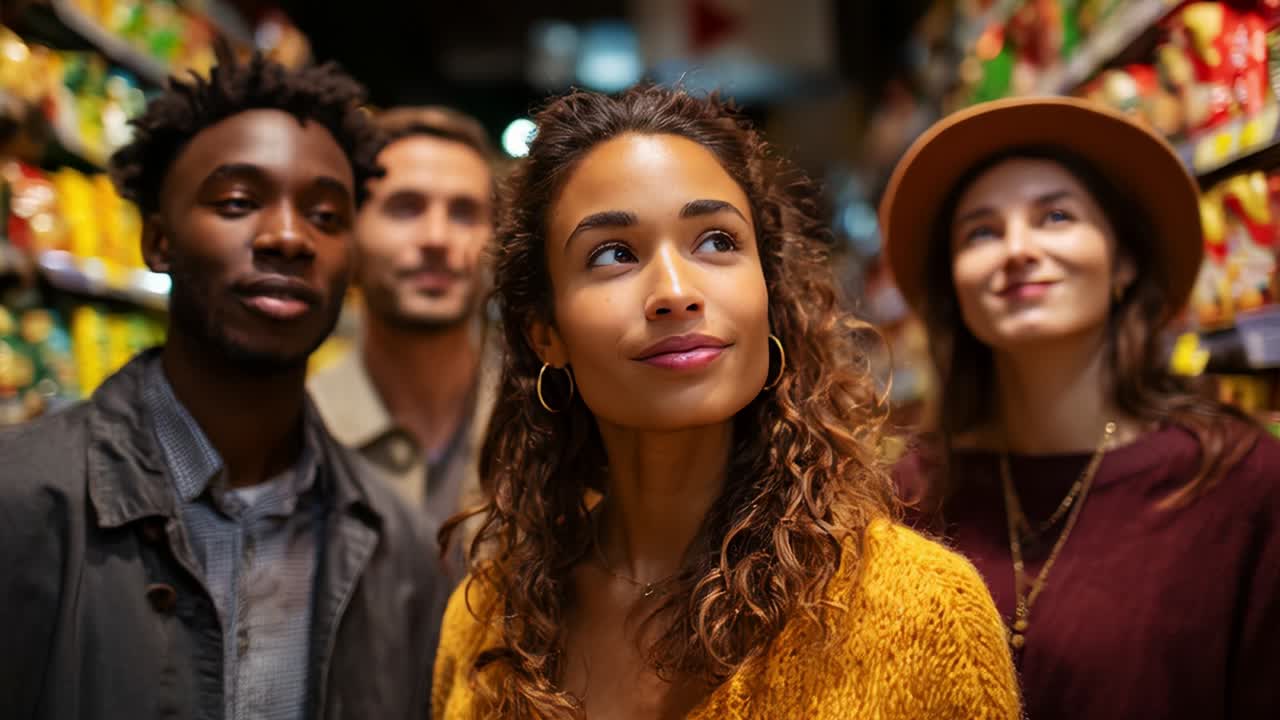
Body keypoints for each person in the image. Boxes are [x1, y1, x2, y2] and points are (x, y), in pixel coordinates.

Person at [431, 85, 1021, 719]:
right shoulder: (488, 622)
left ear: (768, 292)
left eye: (716, 242)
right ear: (544, 332)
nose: (677, 291)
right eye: (612, 254)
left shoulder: (919, 614)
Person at [0, 53, 448, 719]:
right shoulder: (20, 502)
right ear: (158, 240)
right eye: (238, 202)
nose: (289, 237)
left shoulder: (402, 546)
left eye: (326, 216)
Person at [882, 96, 1280, 720]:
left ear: (1122, 263)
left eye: (1056, 216)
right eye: (981, 232)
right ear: (954, 287)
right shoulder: (908, 496)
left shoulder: (1238, 483)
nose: (1017, 249)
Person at [309, 106, 497, 575]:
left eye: (464, 213)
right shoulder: (296, 433)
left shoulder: (552, 427)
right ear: (349, 231)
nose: (436, 237)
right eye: (405, 207)